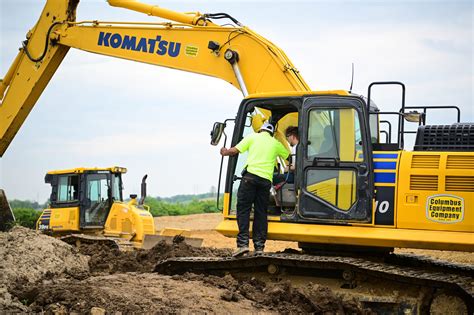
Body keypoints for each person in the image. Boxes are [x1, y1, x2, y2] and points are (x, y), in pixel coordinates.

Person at [220, 122, 289, 257]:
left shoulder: (252, 137)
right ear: (272, 132)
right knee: (261, 212)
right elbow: (288, 157)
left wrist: (225, 151)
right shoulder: (275, 143)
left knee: (243, 209)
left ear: (260, 130)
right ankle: (259, 247)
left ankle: (243, 244)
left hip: (250, 179)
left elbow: (234, 151)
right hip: (265, 182)